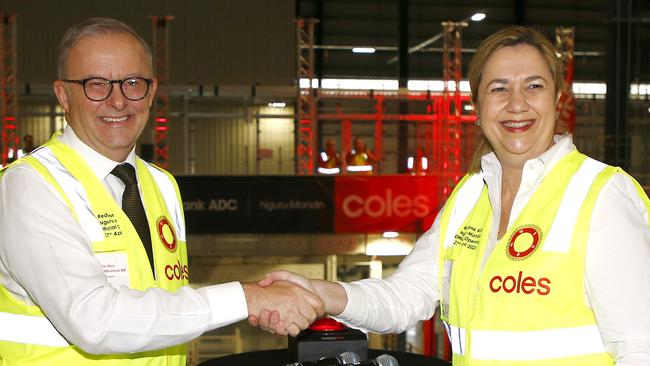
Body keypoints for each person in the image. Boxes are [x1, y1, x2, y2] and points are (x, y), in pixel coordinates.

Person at [252, 26, 650, 365]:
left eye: (534, 86)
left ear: (557, 97)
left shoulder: (603, 195)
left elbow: (640, 347)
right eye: (498, 88)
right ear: (476, 105)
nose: (516, 104)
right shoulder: (470, 195)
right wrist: (321, 294)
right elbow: (406, 297)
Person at [0, 17, 323, 365]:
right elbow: (93, 321)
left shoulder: (162, 185)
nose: (118, 101)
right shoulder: (30, 186)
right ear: (63, 94)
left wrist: (264, 299)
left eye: (132, 83)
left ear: (151, 91)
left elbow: (165, 306)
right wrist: (246, 298)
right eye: (96, 84)